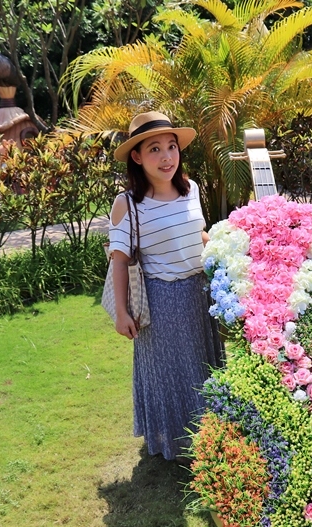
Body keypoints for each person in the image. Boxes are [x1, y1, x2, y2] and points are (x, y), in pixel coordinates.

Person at [107, 111, 224, 462]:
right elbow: (119, 259)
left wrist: (224, 248)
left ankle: (214, 432)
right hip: (162, 301)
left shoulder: (191, 190)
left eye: (171, 147)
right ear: (137, 157)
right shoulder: (127, 204)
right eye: (154, 149)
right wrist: (122, 313)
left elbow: (197, 234)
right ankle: (177, 441)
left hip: (200, 294)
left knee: (204, 365)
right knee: (172, 374)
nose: (166, 156)